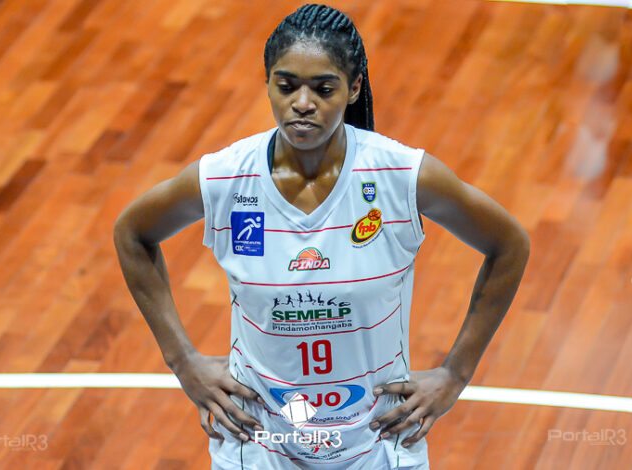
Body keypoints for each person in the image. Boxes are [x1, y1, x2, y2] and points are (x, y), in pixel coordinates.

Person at [113, 4, 530, 469]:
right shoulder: (225, 178)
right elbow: (132, 233)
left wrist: (455, 373)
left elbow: (509, 245)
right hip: (259, 447)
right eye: (286, 85)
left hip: (377, 448)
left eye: (323, 88)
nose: (302, 103)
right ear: (268, 83)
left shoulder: (401, 176)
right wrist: (182, 361)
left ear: (354, 88)